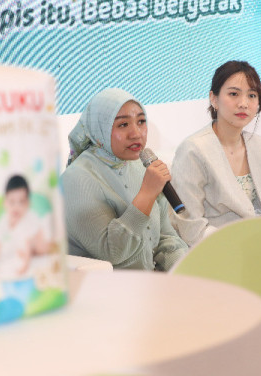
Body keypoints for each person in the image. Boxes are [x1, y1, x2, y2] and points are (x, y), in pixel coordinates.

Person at [61, 88, 188, 271]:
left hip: (151, 282)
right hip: (104, 285)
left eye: (141, 122)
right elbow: (112, 253)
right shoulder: (77, 179)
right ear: (100, 128)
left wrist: (185, 270)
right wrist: (147, 194)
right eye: (123, 125)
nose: (136, 133)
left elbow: (165, 238)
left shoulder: (141, 166)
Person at [170, 60, 261, 247]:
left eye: (252, 95)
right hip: (214, 249)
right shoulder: (193, 150)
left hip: (259, 246)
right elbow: (189, 225)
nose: (243, 103)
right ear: (214, 99)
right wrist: (236, 247)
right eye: (234, 94)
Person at [0, 174, 56, 279]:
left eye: (21, 202)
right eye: (12, 202)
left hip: (38, 242)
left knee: (43, 249)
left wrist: (24, 267)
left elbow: (27, 244)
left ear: (28, 203)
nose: (16, 207)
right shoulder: (4, 220)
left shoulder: (28, 219)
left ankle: (51, 245)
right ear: (5, 203)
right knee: (20, 250)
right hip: (28, 245)